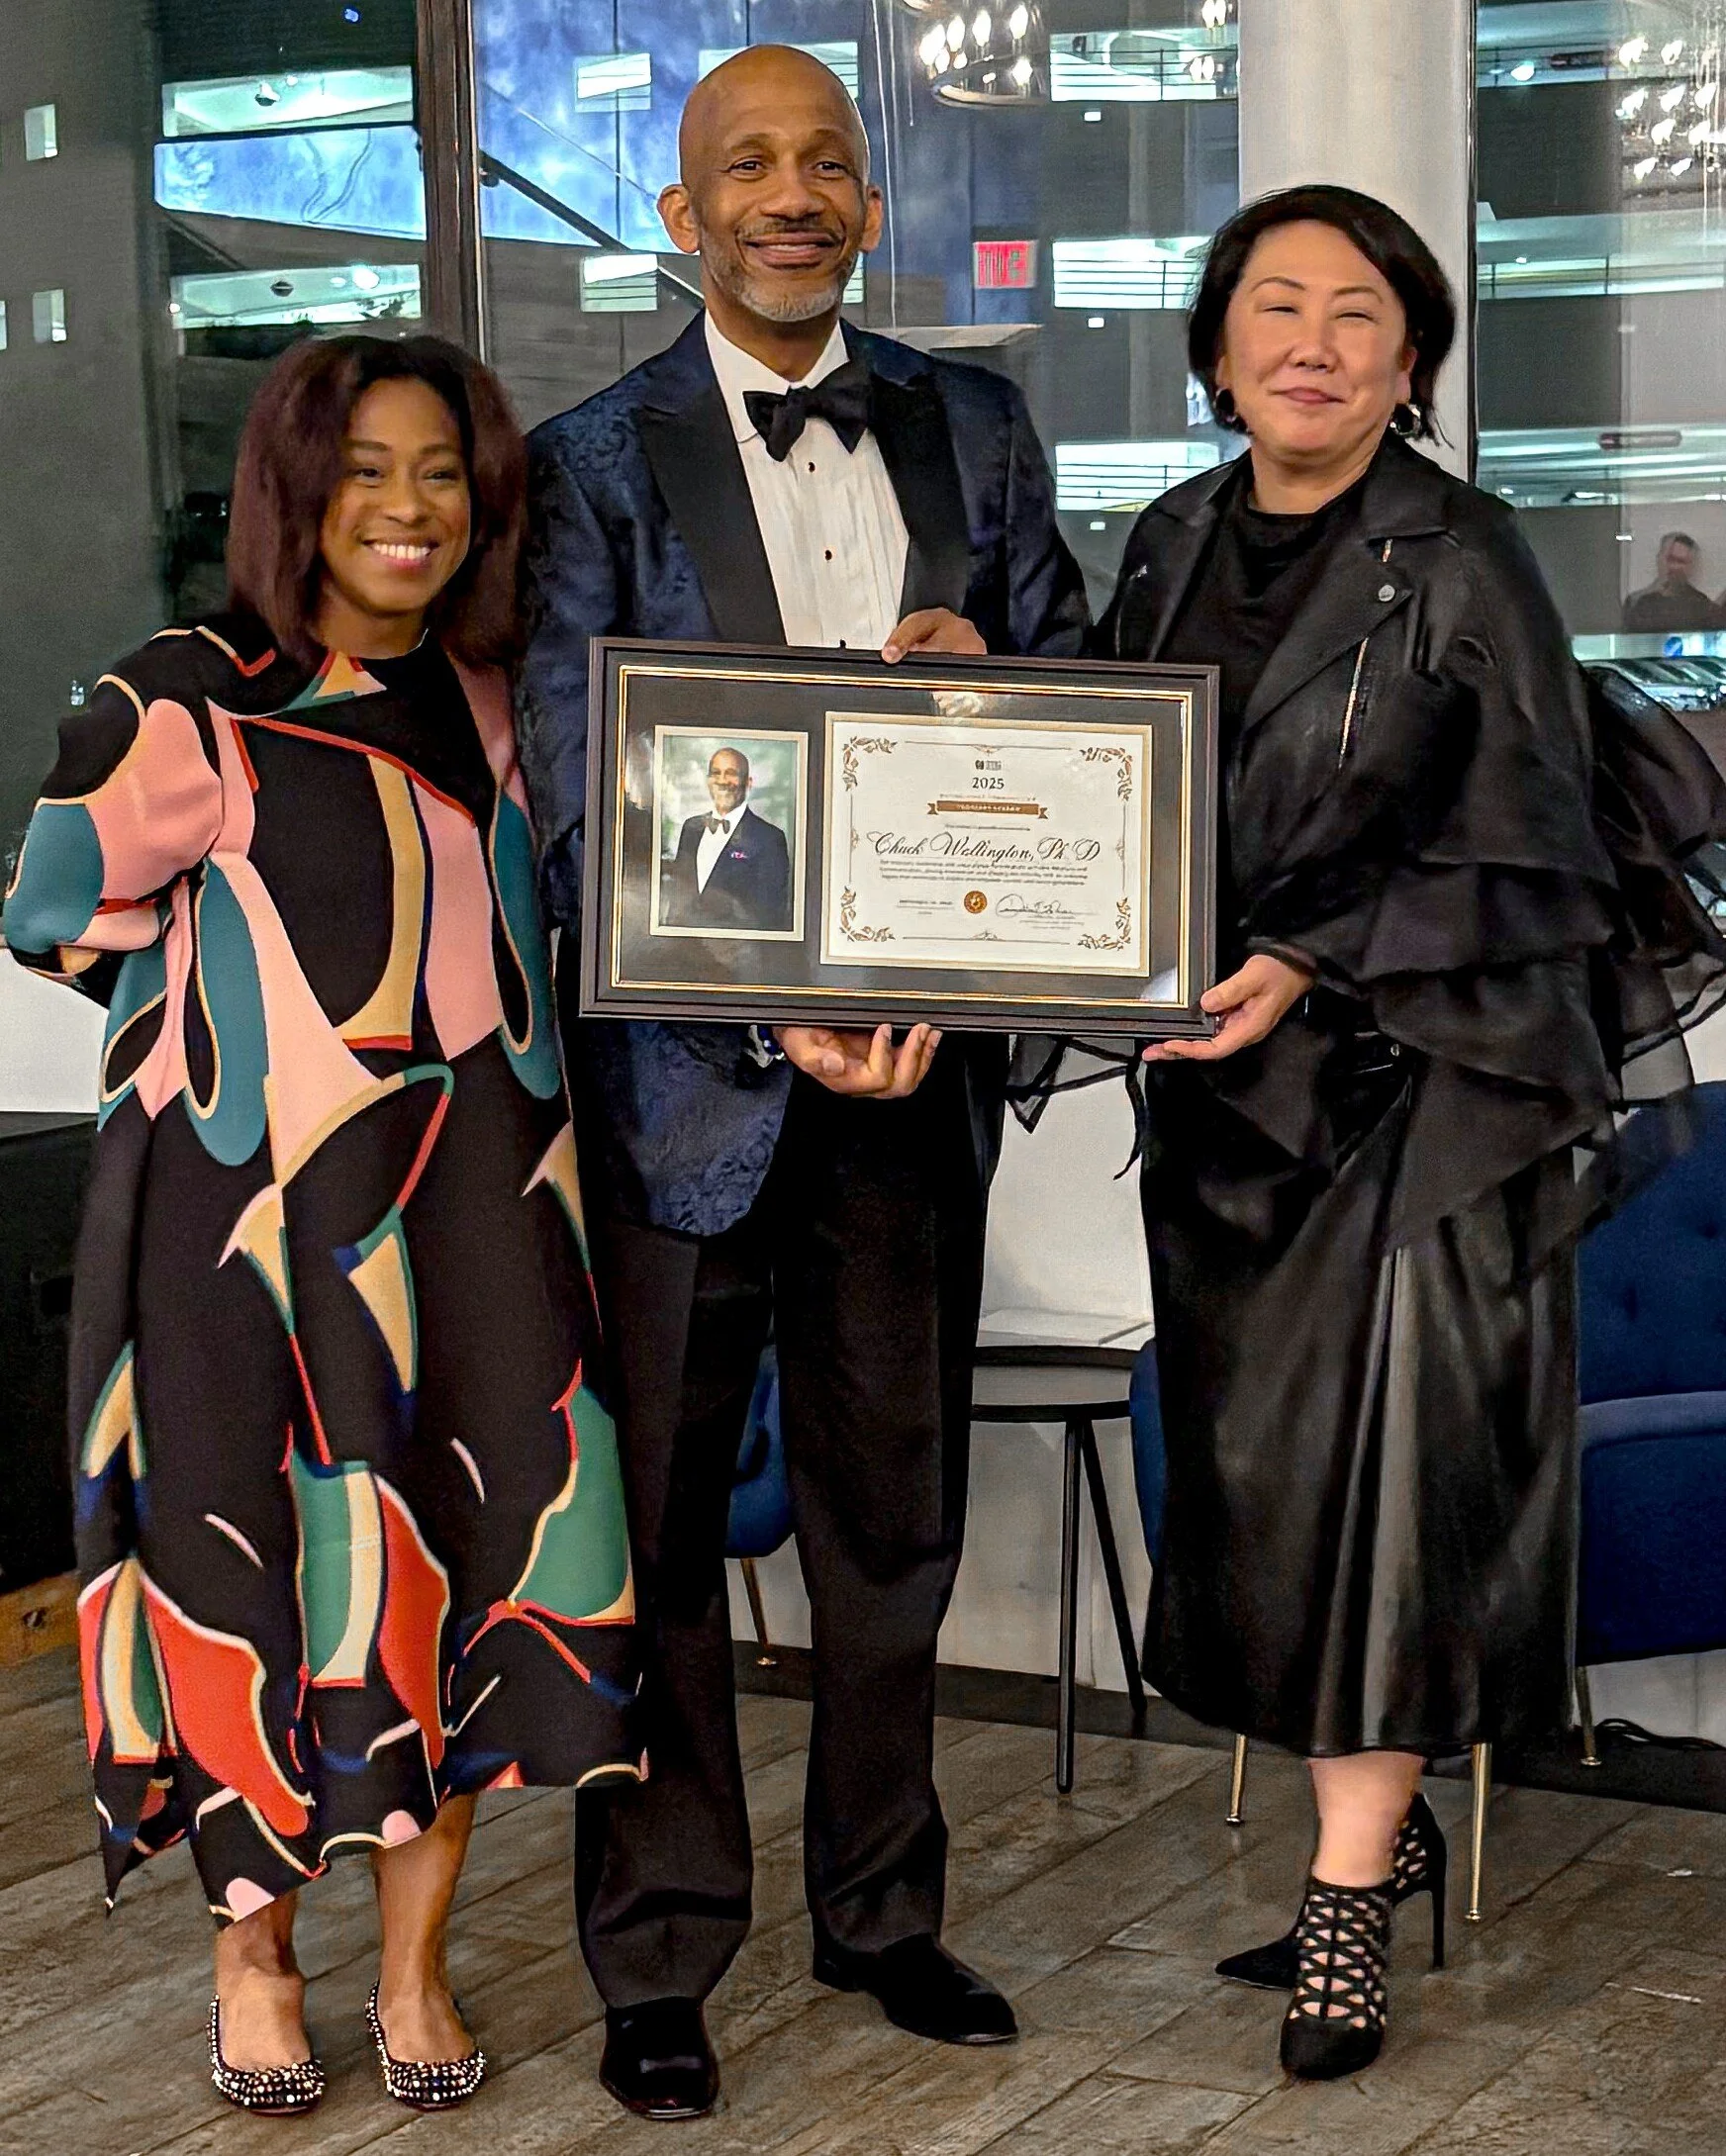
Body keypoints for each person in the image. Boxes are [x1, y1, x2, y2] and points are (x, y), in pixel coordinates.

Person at [1090, 186, 1726, 2082]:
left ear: (1408, 360)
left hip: (1421, 1099)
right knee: (1263, 1506)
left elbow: (1523, 832)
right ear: (1213, 348)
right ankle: (1374, 1827)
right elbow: (1096, 794)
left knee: (1381, 1504)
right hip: (1218, 1109)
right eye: (1269, 306)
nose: (1308, 340)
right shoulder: (1163, 540)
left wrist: (1301, 949)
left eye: (1353, 312)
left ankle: (1346, 1901)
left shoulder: (1464, 551)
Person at [518, 45, 1088, 2122]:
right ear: (680, 217)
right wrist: (771, 1017)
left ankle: (878, 1910)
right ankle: (660, 1949)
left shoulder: (979, 425)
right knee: (656, 1532)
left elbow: (1072, 731)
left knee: (892, 1516)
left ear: (867, 208)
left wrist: (996, 697)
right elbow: (579, 790)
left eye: (823, 161)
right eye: (743, 164)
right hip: (682, 1095)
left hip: (913, 1081)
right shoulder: (585, 462)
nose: (787, 191)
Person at [1, 334, 641, 2118]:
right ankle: (256, 1948)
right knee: (258, 1568)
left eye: (440, 469)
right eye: (365, 469)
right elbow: (54, 906)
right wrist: (230, 1039)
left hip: (481, 1210)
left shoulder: (508, 697)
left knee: (450, 1557)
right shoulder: (189, 694)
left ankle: (416, 1961)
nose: (407, 506)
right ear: (294, 488)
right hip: (246, 1224)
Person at [661, 745, 793, 931]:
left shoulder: (770, 838)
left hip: (735, 954)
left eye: (731, 773)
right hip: (682, 950)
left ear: (748, 782)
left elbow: (770, 916)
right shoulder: (691, 828)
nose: (722, 781)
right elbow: (678, 897)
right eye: (716, 773)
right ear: (708, 781)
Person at [1622, 530, 1723, 633]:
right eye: (1670, 559)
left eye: (1680, 562)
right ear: (1660, 559)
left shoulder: (1702, 605)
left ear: (1690, 566)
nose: (1674, 567)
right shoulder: (1636, 603)